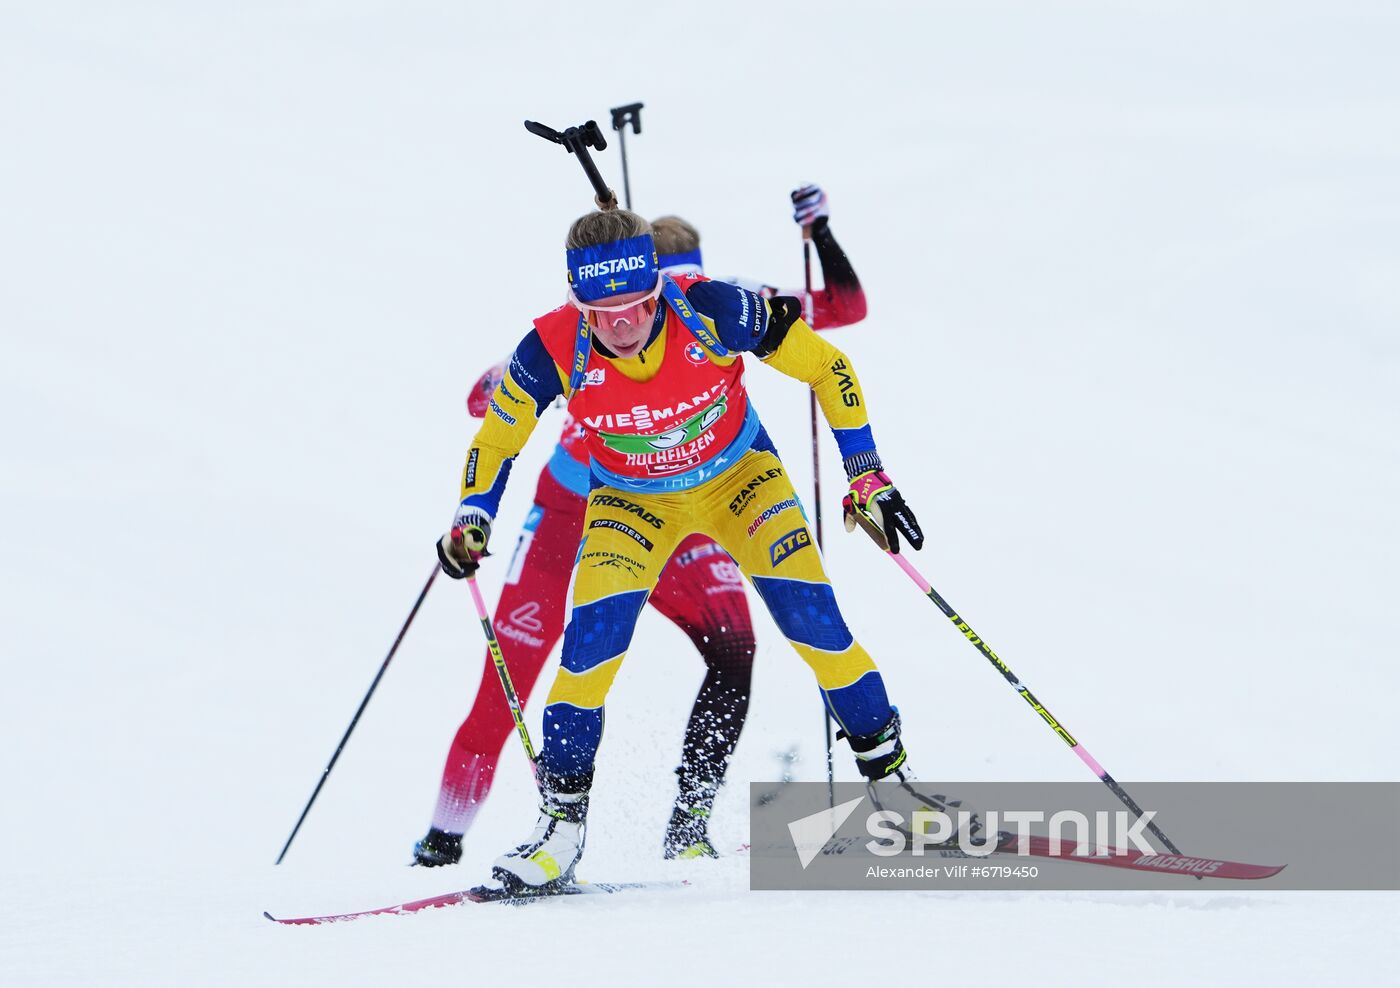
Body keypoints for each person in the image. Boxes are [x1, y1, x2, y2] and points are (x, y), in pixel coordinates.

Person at [436, 198, 927, 893]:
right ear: (577, 301)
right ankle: (561, 832)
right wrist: (472, 517)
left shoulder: (714, 308)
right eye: (601, 312)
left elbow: (831, 367)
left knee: (817, 628)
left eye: (638, 304)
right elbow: (496, 438)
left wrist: (866, 476)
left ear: (658, 284)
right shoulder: (550, 346)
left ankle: (895, 790)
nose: (623, 325)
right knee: (588, 654)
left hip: (742, 484)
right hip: (632, 505)